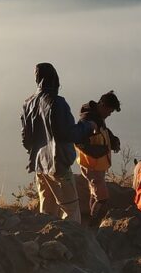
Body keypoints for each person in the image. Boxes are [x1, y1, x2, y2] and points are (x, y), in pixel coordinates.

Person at [21, 62, 96, 222]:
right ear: (55, 79)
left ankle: (47, 241)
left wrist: (36, 153)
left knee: (47, 210)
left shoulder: (28, 103)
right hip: (58, 166)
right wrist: (88, 126)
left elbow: (26, 139)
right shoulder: (57, 102)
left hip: (39, 165)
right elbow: (68, 133)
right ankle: (72, 244)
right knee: (70, 209)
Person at [76, 91, 122, 225]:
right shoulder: (88, 120)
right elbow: (79, 141)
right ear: (102, 105)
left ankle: (92, 221)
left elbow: (103, 132)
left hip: (95, 165)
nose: (109, 114)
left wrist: (112, 140)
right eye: (109, 111)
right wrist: (99, 151)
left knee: (94, 195)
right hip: (92, 165)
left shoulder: (96, 118)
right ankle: (94, 224)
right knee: (102, 199)